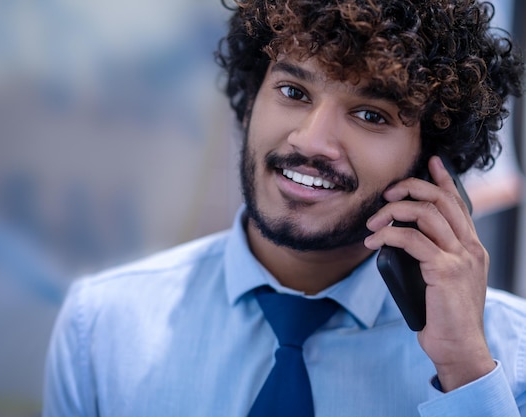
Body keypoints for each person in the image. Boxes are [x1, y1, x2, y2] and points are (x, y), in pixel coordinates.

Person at [42, 0, 526, 415]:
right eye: (294, 92)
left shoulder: (506, 354)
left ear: (432, 161)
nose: (311, 141)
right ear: (251, 98)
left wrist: (464, 370)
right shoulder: (102, 326)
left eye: (369, 115)